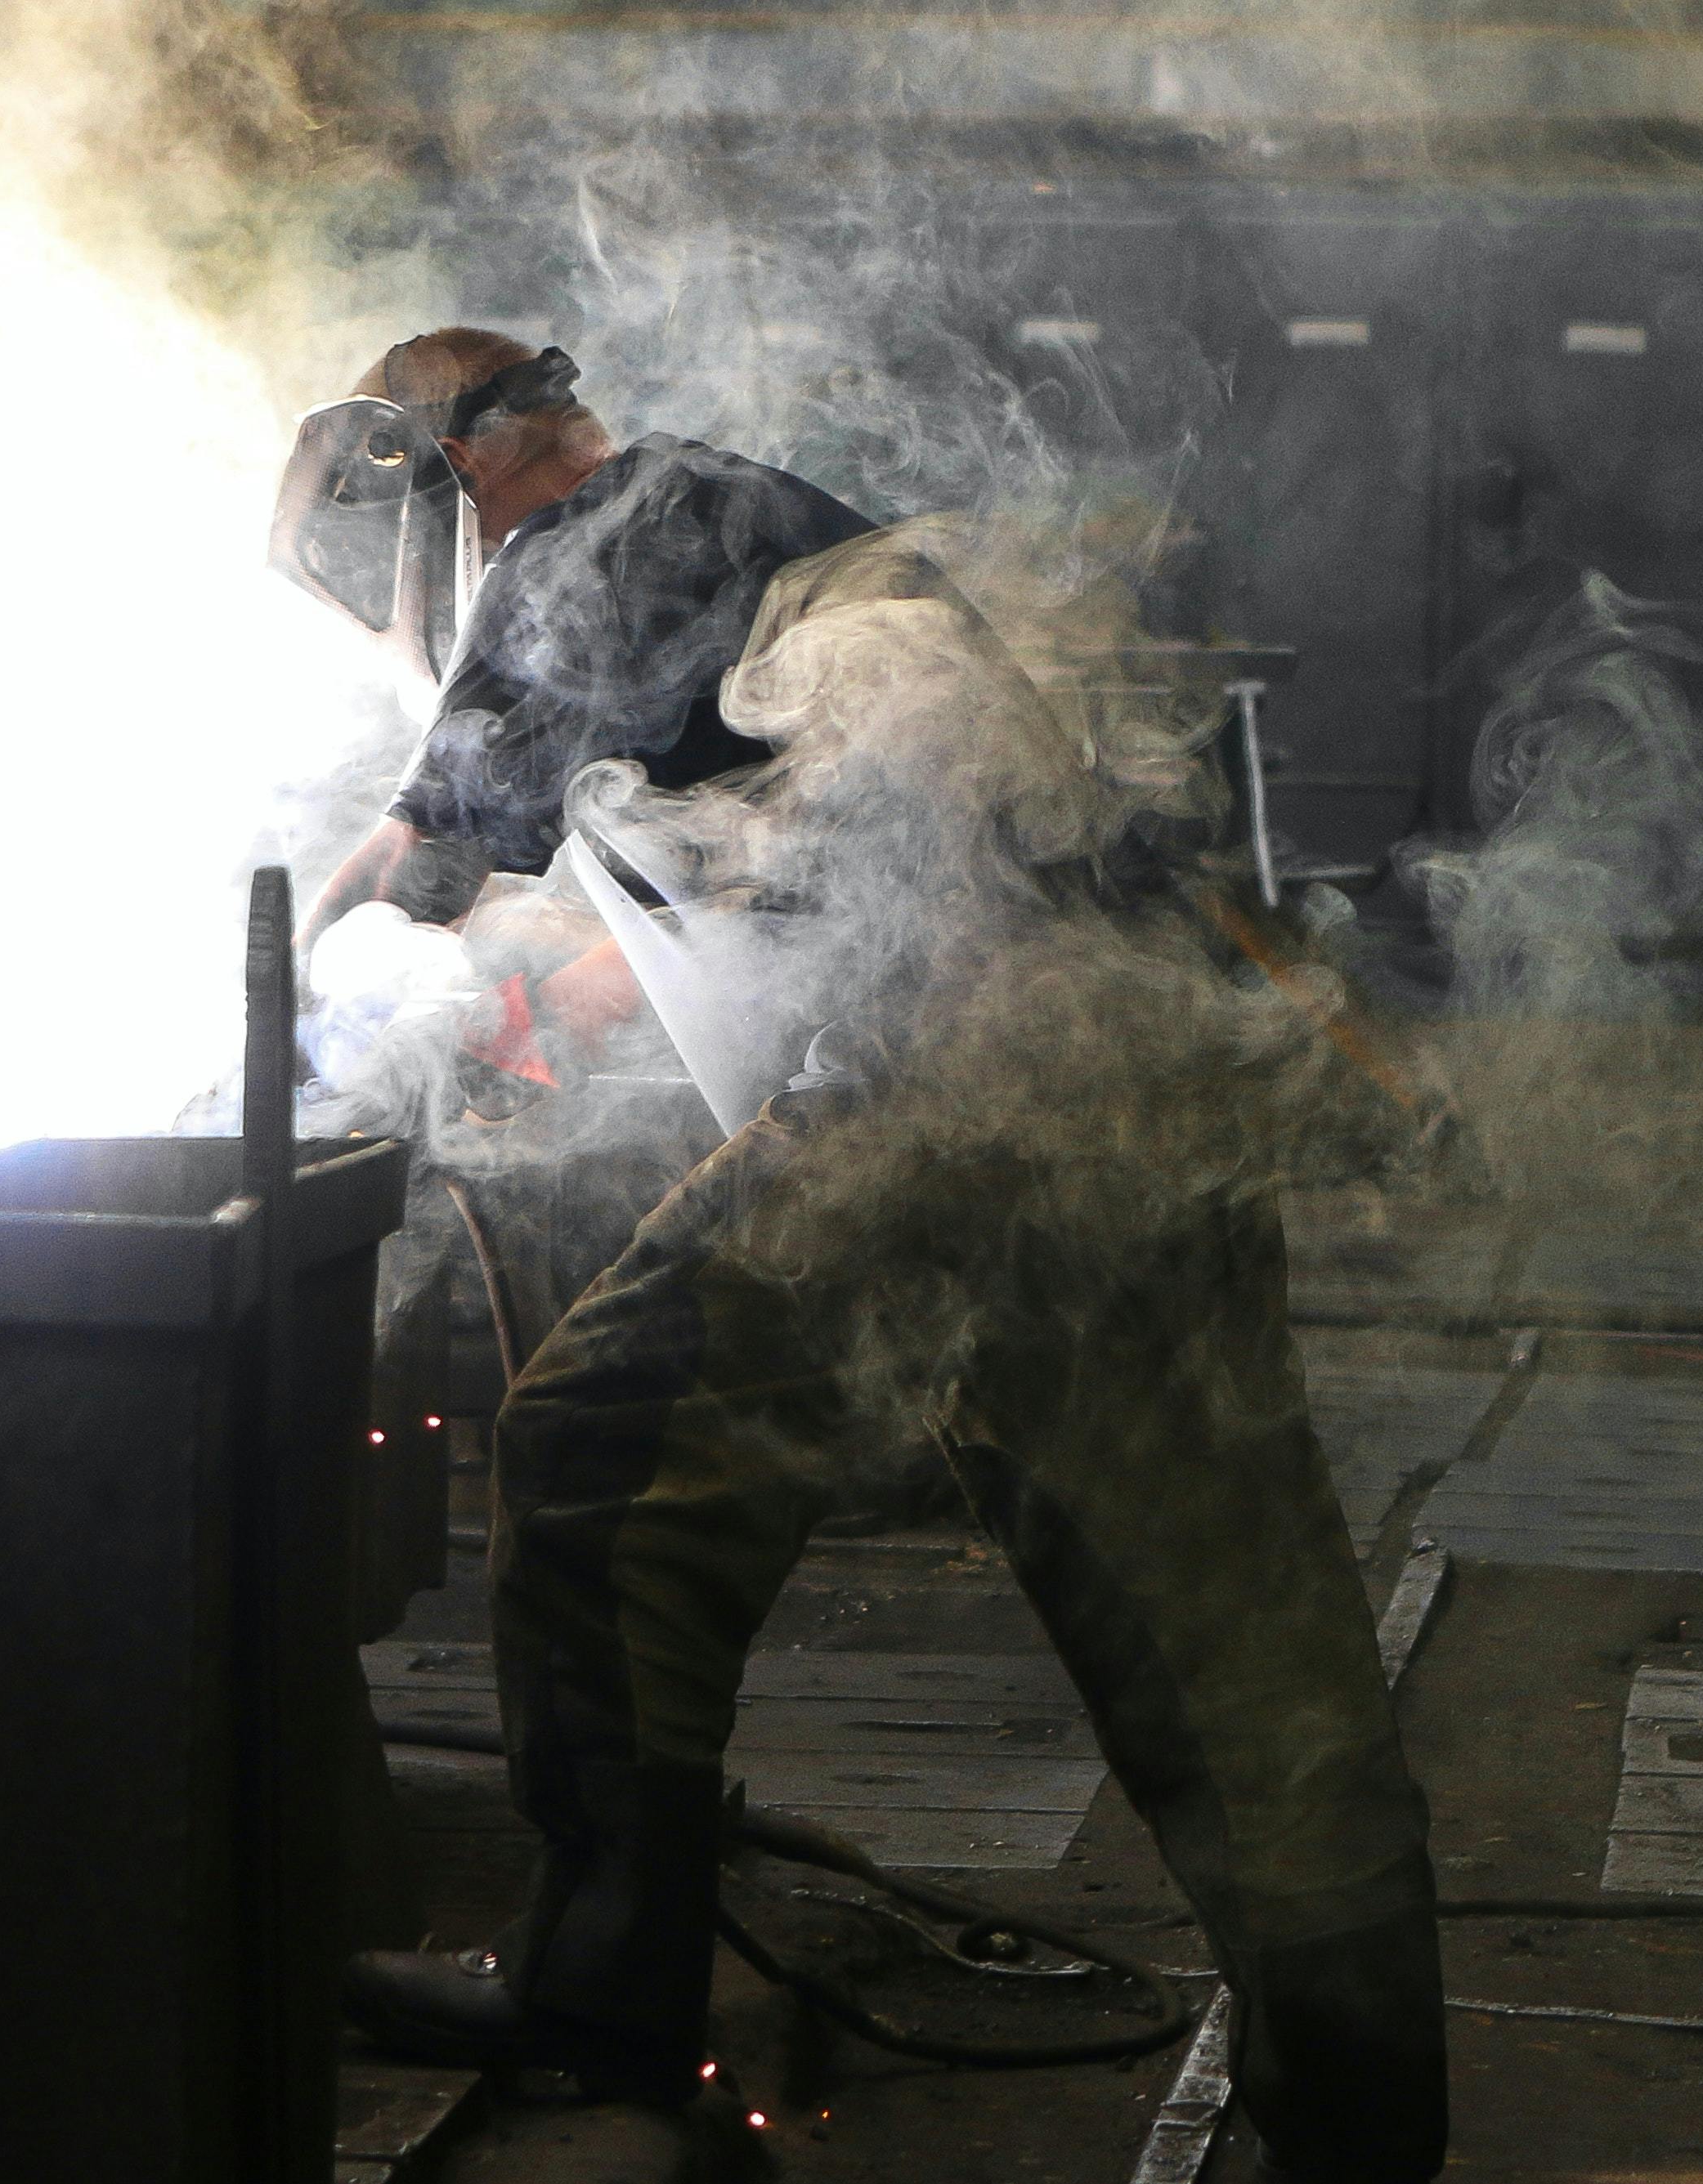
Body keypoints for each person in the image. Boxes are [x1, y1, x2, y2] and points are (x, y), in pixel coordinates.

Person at [299, 329, 1449, 2183]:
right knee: (1219, 1634)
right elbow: (792, 834)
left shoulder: (613, 522)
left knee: (599, 1456)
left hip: (974, 1087)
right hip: (1111, 1085)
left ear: (443, 476)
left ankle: (602, 2004)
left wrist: (267, 1001)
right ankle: (1358, 2128)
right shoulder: (766, 562)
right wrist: (581, 992)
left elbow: (423, 852)